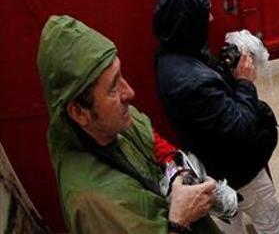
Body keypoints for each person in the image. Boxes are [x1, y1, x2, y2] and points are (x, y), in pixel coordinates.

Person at [36, 15, 220, 234]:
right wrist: (179, 221)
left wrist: (180, 173)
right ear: (79, 112)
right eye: (113, 87)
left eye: (120, 75)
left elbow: (155, 143)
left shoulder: (115, 124)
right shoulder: (94, 204)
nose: (130, 92)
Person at [153, 0, 279, 234]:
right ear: (190, 21)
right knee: (270, 223)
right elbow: (241, 128)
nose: (212, 19)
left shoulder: (169, 56)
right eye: (206, 13)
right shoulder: (193, 82)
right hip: (241, 172)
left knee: (230, 223)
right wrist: (245, 82)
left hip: (213, 169)